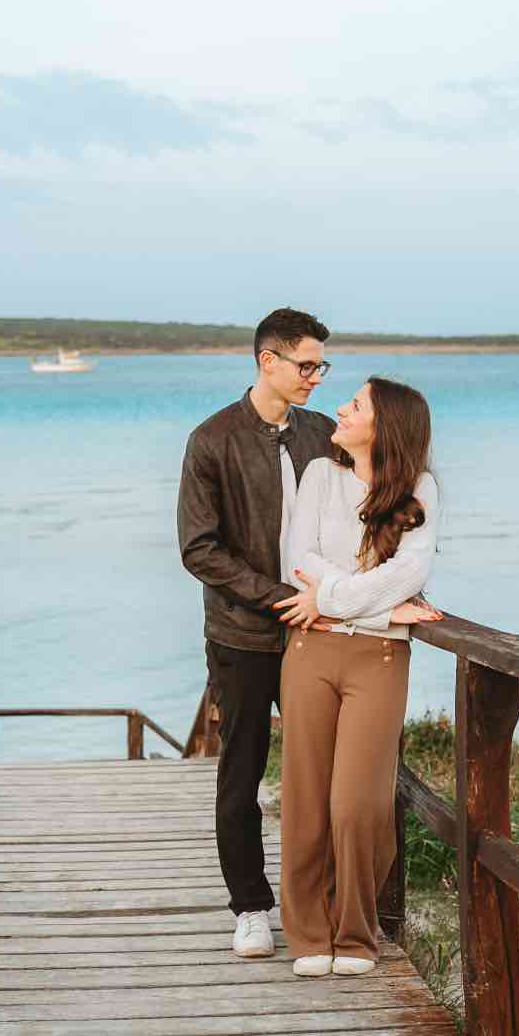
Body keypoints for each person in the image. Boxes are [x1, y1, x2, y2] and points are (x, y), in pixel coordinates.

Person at [177, 307, 337, 958]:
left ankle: (321, 901)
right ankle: (250, 907)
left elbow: (364, 512)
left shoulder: (324, 433)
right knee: (241, 775)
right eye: (306, 365)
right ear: (266, 361)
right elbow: (199, 548)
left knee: (322, 774)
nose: (316, 377)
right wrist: (281, 599)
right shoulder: (211, 440)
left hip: (318, 631)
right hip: (243, 637)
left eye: (322, 366)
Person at [271, 376, 442, 977]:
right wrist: (375, 606)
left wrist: (334, 597)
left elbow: (409, 571)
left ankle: (357, 931)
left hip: (380, 659)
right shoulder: (319, 475)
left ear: (386, 423)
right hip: (311, 651)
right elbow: (298, 560)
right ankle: (308, 932)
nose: (339, 408)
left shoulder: (420, 490)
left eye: (356, 403)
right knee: (307, 801)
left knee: (358, 805)